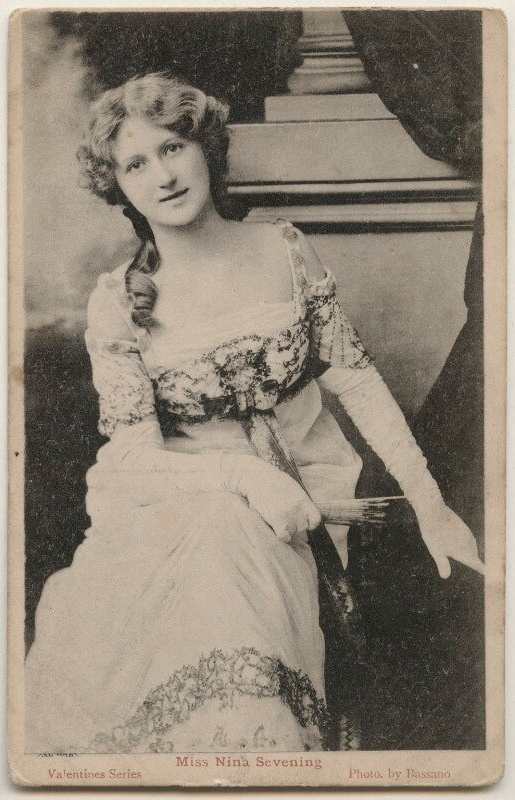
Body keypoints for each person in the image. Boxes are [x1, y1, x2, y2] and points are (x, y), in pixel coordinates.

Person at [25, 73, 484, 755]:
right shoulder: (118, 300)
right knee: (220, 539)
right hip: (183, 501)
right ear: (117, 185)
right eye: (135, 164)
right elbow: (134, 458)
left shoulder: (283, 248)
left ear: (205, 148)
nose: (163, 176)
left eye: (173, 147)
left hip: (316, 487)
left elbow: (356, 379)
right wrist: (243, 478)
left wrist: (430, 503)